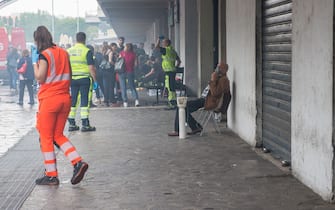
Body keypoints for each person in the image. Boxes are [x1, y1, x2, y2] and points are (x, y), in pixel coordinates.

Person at [32, 25, 88, 185]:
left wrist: (35, 66)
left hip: (50, 100)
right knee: (58, 135)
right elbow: (69, 75)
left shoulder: (44, 55)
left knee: (46, 137)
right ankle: (78, 162)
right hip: (64, 98)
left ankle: (51, 175)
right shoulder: (63, 52)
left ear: (38, 40)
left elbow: (40, 78)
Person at [168, 62, 230, 136]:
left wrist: (213, 81)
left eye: (219, 67)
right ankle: (195, 127)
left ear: (223, 70)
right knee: (183, 108)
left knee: (182, 107)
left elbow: (215, 93)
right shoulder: (218, 78)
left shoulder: (224, 80)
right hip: (204, 100)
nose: (216, 69)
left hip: (208, 102)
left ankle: (185, 129)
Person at [67, 32, 97, 132]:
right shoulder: (87, 51)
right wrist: (95, 80)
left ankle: (71, 123)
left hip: (72, 79)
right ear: (84, 39)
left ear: (76, 39)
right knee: (85, 100)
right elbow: (91, 68)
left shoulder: (69, 51)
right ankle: (85, 124)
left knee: (73, 100)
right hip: (84, 79)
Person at [155, 38, 181, 109]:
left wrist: (158, 40)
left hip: (168, 72)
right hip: (172, 71)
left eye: (163, 42)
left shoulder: (166, 50)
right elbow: (179, 61)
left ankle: (172, 103)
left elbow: (157, 47)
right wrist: (176, 68)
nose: (162, 44)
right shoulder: (173, 51)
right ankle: (172, 103)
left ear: (167, 43)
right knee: (171, 86)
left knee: (170, 87)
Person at [119, 43, 140, 107]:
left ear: (126, 47)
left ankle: (125, 102)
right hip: (130, 71)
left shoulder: (121, 53)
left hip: (122, 72)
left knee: (123, 87)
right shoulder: (134, 54)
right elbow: (136, 64)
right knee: (132, 86)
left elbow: (119, 62)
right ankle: (136, 100)